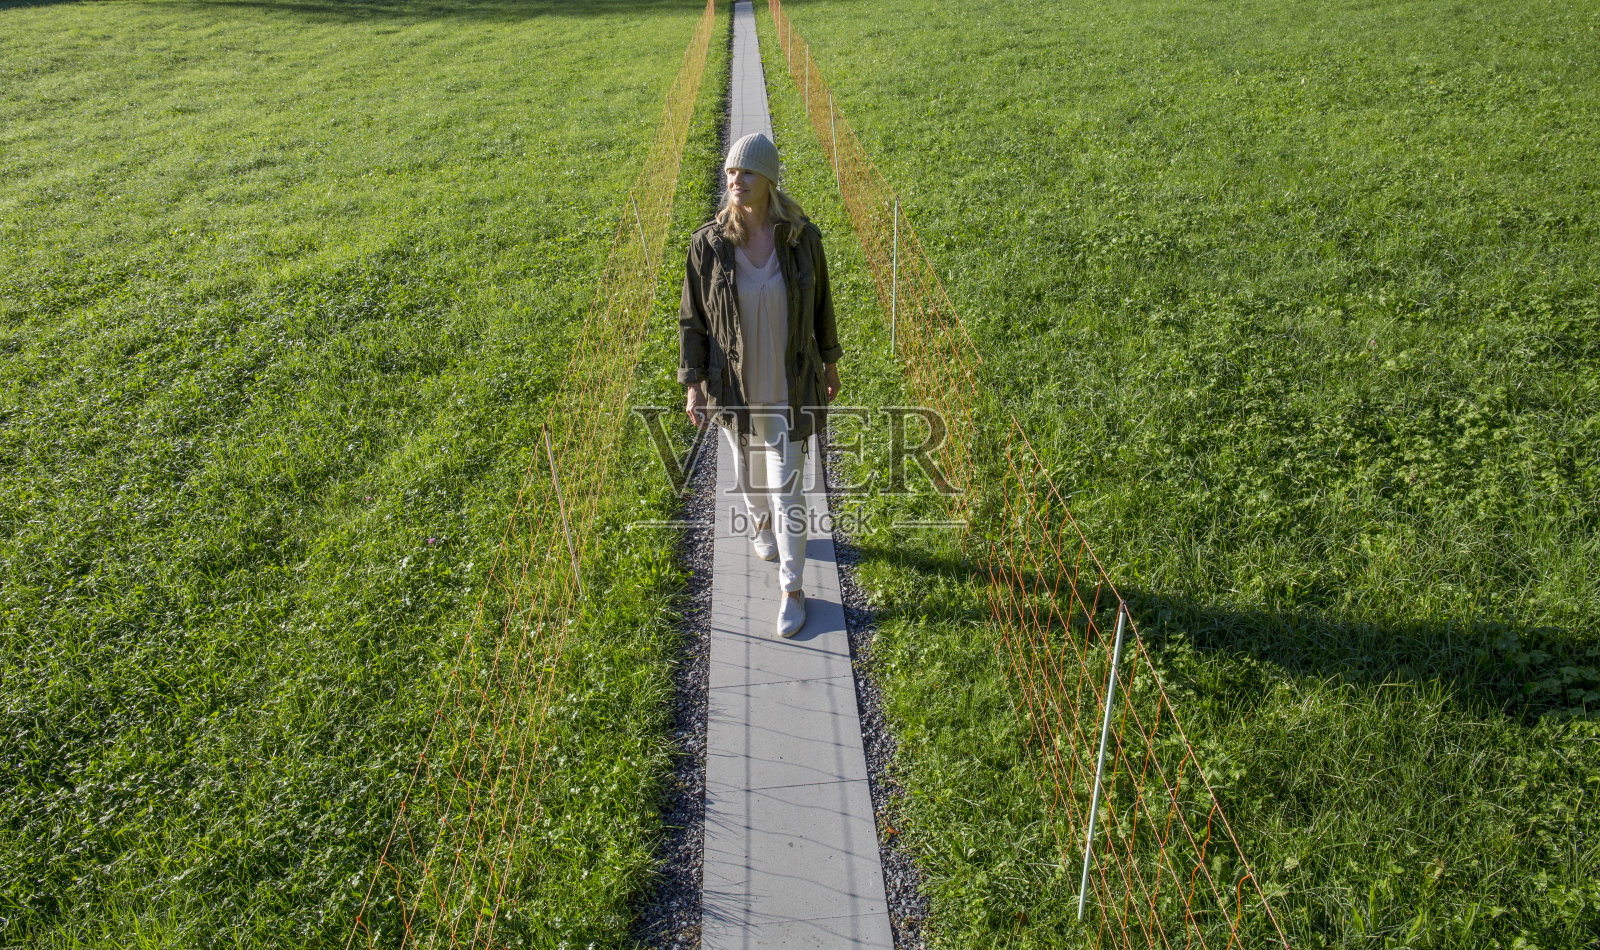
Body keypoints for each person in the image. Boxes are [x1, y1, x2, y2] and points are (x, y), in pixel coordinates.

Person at [678, 131, 842, 637]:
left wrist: (830, 364)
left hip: (790, 389)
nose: (735, 180)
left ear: (767, 178)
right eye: (730, 172)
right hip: (735, 391)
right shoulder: (708, 246)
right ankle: (760, 523)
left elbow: (821, 308)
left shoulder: (800, 239)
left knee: (788, 489)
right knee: (750, 479)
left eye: (745, 172)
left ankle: (793, 590)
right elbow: (693, 321)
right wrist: (693, 383)